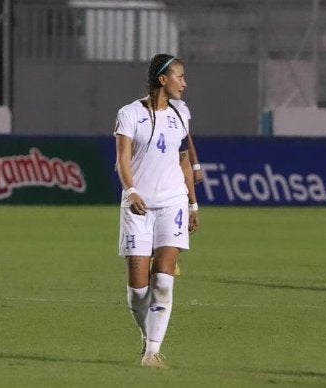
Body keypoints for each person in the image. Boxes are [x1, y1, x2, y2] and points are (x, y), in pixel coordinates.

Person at [114, 53, 199, 368]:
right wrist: (132, 190)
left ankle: (152, 351)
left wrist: (193, 203)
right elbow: (122, 159)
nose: (184, 84)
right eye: (180, 76)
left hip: (173, 204)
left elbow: (183, 160)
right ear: (163, 79)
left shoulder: (181, 112)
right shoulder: (129, 114)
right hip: (138, 206)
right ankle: (147, 337)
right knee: (139, 291)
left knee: (163, 280)